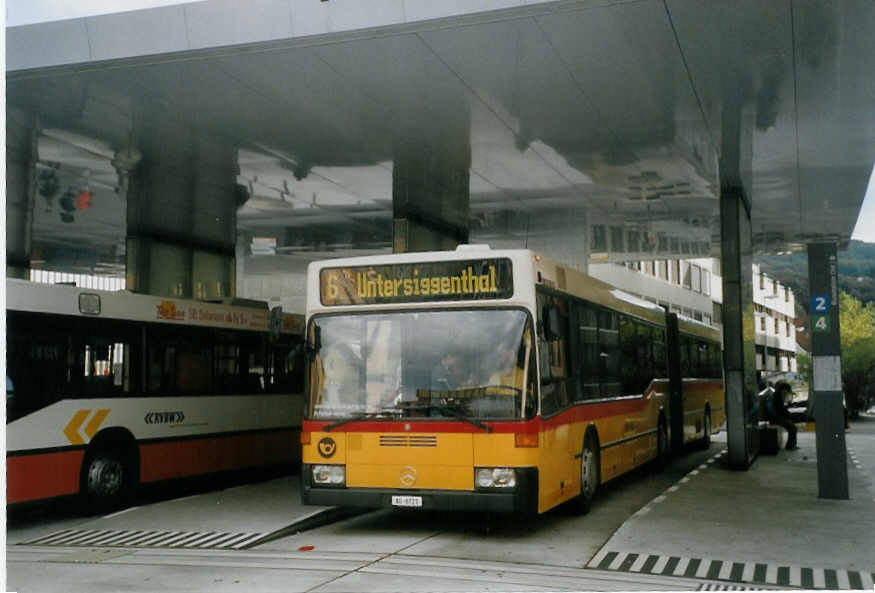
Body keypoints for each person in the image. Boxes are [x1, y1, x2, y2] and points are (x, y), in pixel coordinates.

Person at [765, 380, 798, 450]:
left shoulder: (777, 394)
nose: (786, 393)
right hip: (775, 418)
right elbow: (780, 409)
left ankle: (791, 445)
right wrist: (788, 415)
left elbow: (781, 409)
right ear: (784, 389)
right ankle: (790, 446)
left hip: (775, 417)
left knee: (792, 427)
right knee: (793, 428)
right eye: (786, 391)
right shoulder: (777, 395)